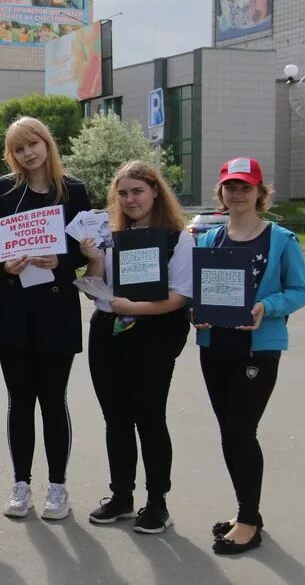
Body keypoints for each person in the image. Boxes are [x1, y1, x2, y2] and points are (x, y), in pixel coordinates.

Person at [194, 158, 305, 555]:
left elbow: (301, 290)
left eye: (246, 186)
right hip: (215, 349)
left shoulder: (280, 239)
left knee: (242, 432)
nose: (238, 193)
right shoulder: (211, 240)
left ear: (261, 192)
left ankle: (248, 520)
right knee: (230, 433)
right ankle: (247, 512)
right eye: (231, 186)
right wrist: (198, 311)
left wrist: (267, 307)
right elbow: (200, 289)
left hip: (257, 352)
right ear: (221, 193)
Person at [0, 116, 91, 520]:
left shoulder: (74, 191)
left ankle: (58, 486)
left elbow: (88, 245)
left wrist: (63, 260)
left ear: (47, 144)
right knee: (20, 401)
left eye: (34, 144)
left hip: (57, 311)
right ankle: (21, 482)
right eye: (19, 148)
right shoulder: (5, 190)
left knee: (52, 400)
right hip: (14, 311)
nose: (28, 153)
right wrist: (3, 265)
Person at [81, 161, 194, 534]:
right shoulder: (110, 236)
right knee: (116, 419)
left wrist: (134, 308)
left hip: (154, 337)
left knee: (149, 419)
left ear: (155, 191)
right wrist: (95, 261)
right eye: (123, 193)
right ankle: (121, 496)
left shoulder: (179, 238)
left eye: (137, 191)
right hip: (108, 334)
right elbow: (97, 286)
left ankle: (157, 502)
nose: (130, 199)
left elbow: (179, 297)